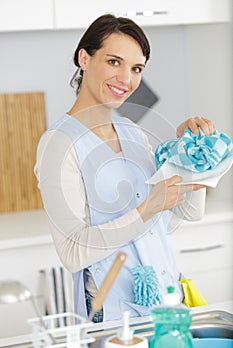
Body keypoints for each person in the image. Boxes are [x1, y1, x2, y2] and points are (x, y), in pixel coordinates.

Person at [34, 13, 215, 323]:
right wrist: (147, 208)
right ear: (84, 58)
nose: (126, 79)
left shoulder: (133, 132)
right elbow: (73, 252)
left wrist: (188, 157)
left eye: (136, 68)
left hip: (168, 306)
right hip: (115, 319)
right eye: (114, 62)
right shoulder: (59, 145)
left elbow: (188, 213)